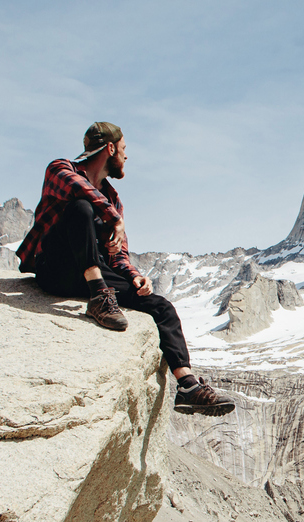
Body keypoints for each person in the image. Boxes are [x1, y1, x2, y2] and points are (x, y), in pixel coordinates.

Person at [17, 122, 235, 416]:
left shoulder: (113, 197)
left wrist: (133, 276)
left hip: (92, 271)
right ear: (110, 149)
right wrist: (111, 216)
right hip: (56, 266)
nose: (126, 157)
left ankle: (188, 387)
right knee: (81, 207)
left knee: (160, 306)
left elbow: (117, 253)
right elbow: (76, 189)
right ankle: (98, 296)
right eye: (123, 150)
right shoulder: (61, 168)